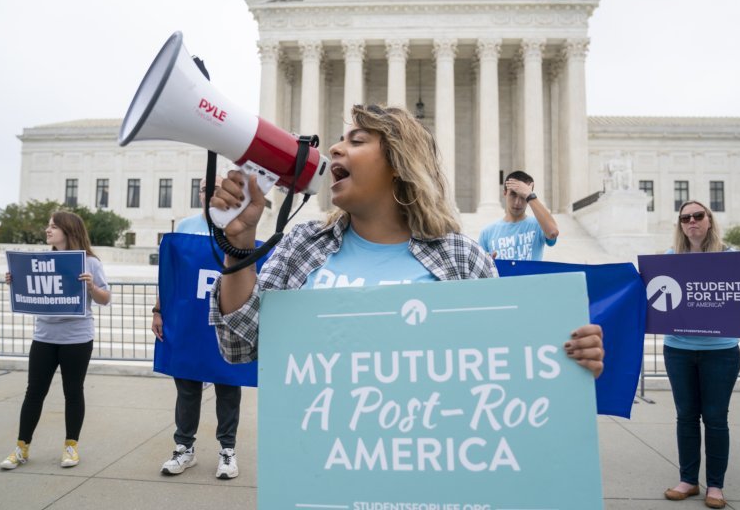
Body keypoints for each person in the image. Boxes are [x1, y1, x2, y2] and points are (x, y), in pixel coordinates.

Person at [207, 104, 603, 380]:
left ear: (399, 163)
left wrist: (569, 358)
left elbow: (505, 361)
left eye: (357, 140)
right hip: (320, 468)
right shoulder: (302, 243)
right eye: (340, 140)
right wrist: (239, 243)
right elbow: (238, 345)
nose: (333, 149)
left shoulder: (462, 259)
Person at [663, 200, 740, 509]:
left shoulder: (730, 259)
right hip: (678, 349)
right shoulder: (669, 259)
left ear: (709, 220)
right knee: (686, 417)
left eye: (697, 216)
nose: (691, 221)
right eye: (685, 217)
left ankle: (715, 485)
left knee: (716, 419)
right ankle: (688, 480)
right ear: (680, 224)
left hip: (720, 352)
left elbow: (739, 297)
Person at [0, 211, 111, 470]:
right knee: (34, 393)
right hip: (44, 337)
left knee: (73, 392)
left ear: (69, 230)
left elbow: (105, 298)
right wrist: (15, 282)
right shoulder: (41, 260)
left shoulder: (90, 262)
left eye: (54, 226)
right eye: (48, 226)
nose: (48, 230)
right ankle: (21, 448)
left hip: (77, 338)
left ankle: (71, 446)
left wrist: (92, 287)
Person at [152, 176, 242, 480]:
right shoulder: (186, 227)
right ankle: (184, 448)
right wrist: (158, 310)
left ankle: (227, 450)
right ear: (200, 193)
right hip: (189, 319)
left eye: (218, 189)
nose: (212, 194)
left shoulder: (240, 227)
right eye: (207, 189)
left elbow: (248, 274)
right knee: (187, 387)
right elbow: (170, 274)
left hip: (225, 320)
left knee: (228, 386)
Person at [478, 170, 559, 261]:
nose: (517, 202)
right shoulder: (487, 233)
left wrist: (529, 195)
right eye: (513, 194)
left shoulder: (539, 225)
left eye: (523, 196)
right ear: (505, 193)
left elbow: (553, 232)